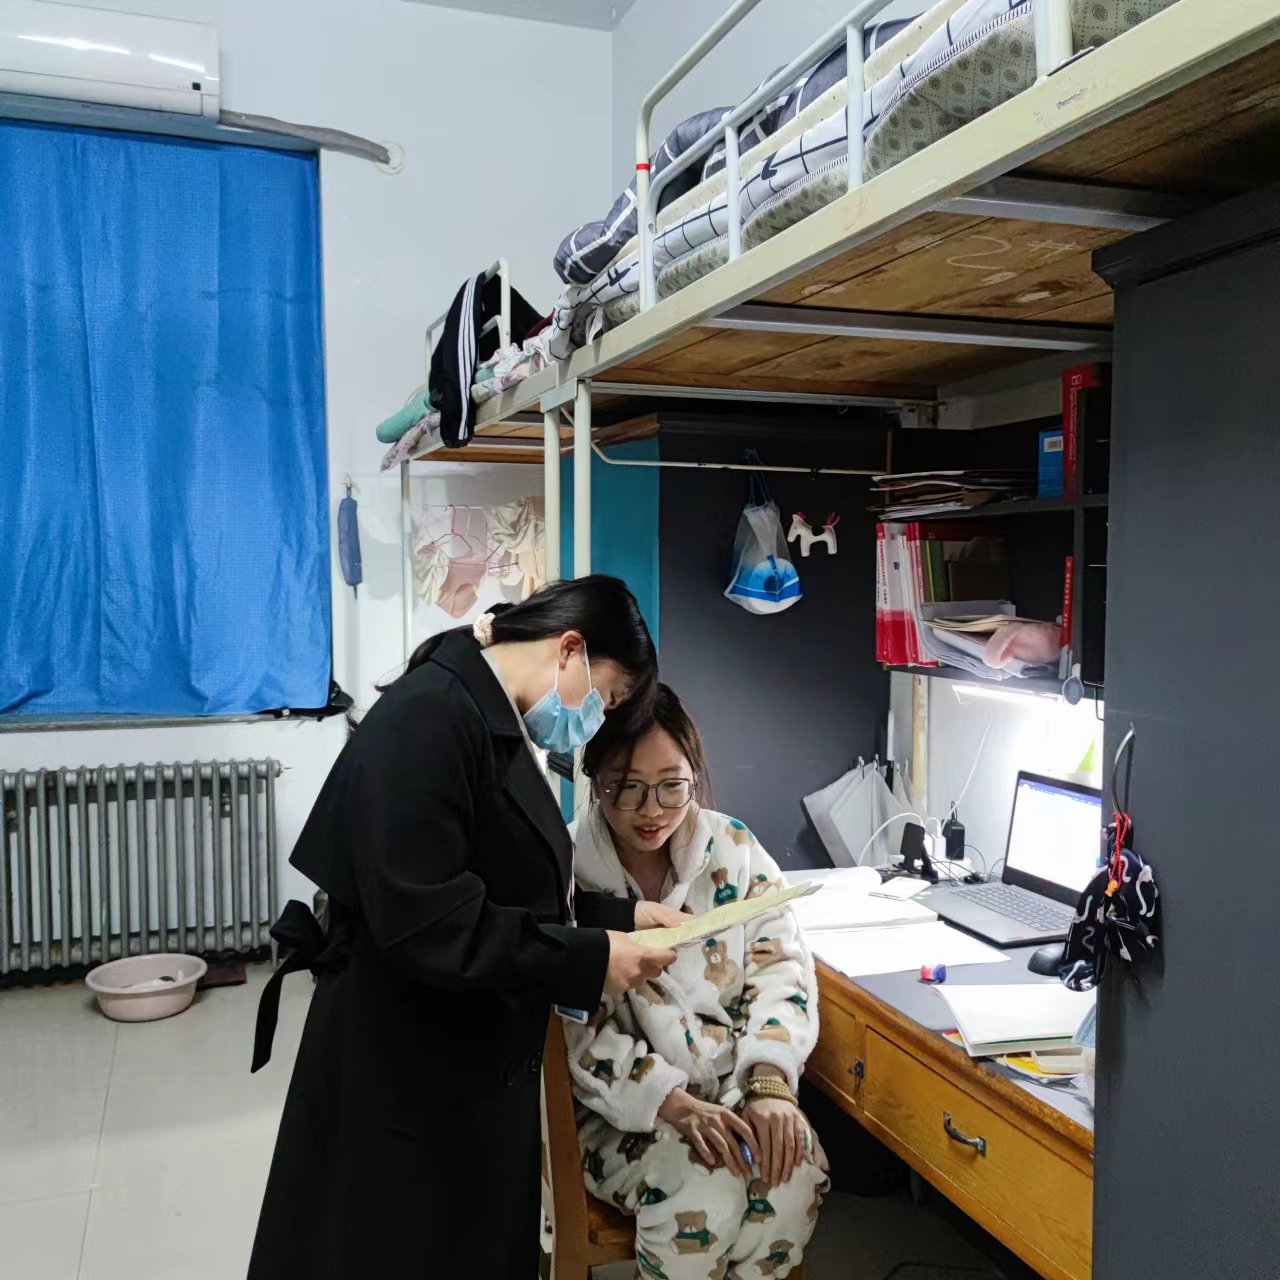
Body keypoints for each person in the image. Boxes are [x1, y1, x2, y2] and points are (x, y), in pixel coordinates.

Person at [247, 577, 686, 1280]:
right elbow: (430, 921)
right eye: (603, 700)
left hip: (460, 1061)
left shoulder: (486, 714)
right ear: (569, 650)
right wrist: (587, 958)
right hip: (408, 1065)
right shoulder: (433, 716)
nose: (593, 721)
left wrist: (620, 918)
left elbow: (498, 878)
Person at [568, 684, 829, 1280]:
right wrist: (672, 1102)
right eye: (626, 787)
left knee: (792, 1174)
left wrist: (768, 1082)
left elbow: (781, 968)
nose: (651, 810)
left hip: (734, 1088)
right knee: (704, 1194)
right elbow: (571, 1027)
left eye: (672, 785)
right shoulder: (566, 866)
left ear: (695, 775)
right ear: (595, 780)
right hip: (618, 1108)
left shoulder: (733, 848)